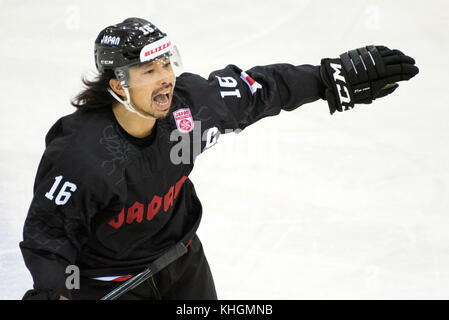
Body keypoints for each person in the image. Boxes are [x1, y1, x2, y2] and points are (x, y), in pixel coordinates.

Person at [19, 17, 419, 300]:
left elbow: (261, 90)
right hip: (112, 284)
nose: (165, 78)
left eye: (166, 64)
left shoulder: (188, 114)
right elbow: (48, 237)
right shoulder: (81, 155)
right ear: (116, 85)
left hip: (182, 264)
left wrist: (325, 79)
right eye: (147, 70)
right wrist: (55, 292)